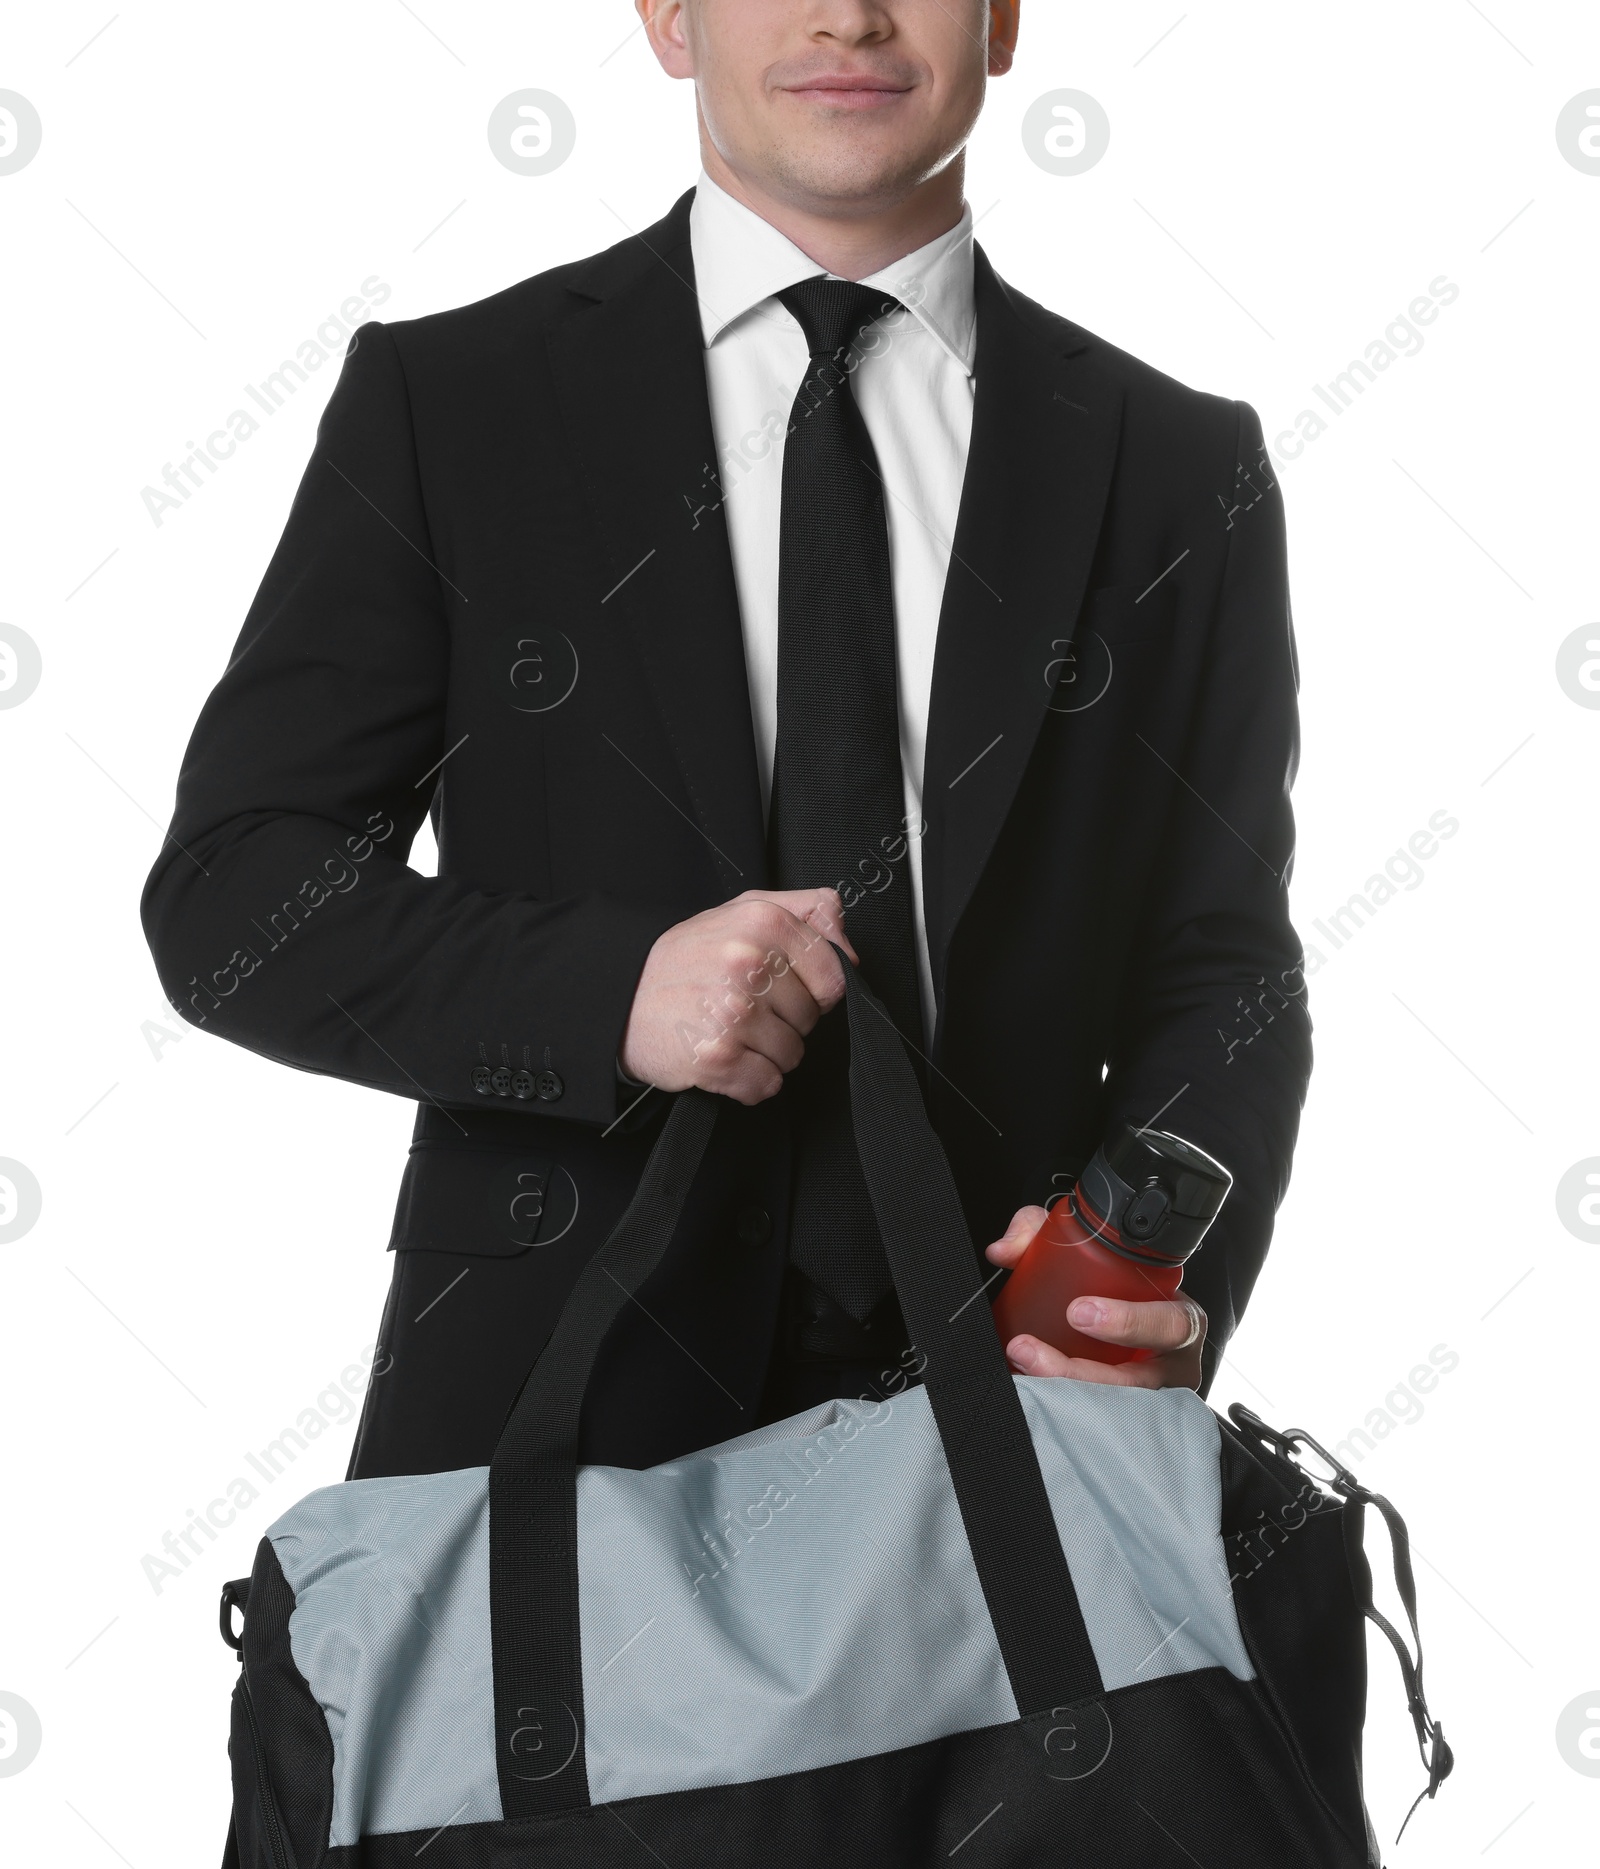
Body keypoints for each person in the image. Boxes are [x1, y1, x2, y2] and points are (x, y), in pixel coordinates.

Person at [142, 0, 1310, 1480]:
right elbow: (235, 889)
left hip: (1012, 1411)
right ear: (669, 16)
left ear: (1004, 19)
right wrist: (607, 989)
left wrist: (1155, 1280)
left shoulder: (1177, 466)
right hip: (547, 1422)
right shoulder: (453, 407)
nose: (850, 15)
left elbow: (1222, 963)